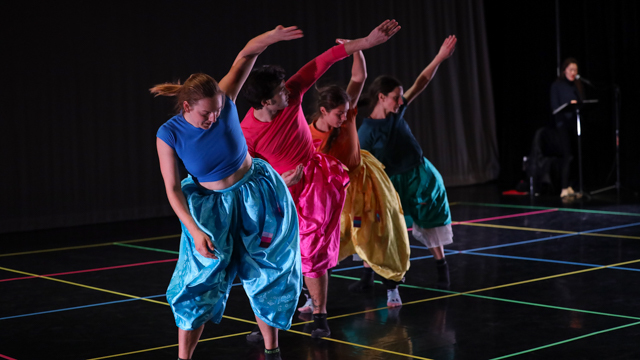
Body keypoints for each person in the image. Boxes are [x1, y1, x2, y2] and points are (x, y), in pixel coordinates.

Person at [241, 20, 401, 338]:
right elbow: (249, 176)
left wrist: (365, 42)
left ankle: (319, 315)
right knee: (273, 256)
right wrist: (279, 182)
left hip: (315, 185)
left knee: (313, 253)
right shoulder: (247, 133)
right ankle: (270, 318)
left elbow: (325, 59)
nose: (286, 94)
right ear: (263, 103)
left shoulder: (292, 93)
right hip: (281, 192)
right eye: (278, 94)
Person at [151, 26, 303, 360]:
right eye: (207, 113)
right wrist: (194, 230)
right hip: (209, 209)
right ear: (188, 106)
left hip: (256, 195)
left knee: (268, 271)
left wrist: (271, 37)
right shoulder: (169, 133)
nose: (214, 117)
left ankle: (272, 349)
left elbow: (247, 53)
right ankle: (183, 357)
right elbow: (172, 189)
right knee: (196, 283)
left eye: (218, 110)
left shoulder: (224, 99)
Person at [308, 43, 410, 308]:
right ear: (323, 112)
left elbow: (359, 77)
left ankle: (391, 289)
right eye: (338, 114)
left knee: (379, 233)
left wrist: (356, 48)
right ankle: (313, 298)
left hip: (364, 183)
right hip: (334, 192)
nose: (344, 117)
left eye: (346, 112)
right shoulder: (309, 134)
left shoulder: (348, 114)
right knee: (324, 243)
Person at [358, 35, 457, 289]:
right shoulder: (366, 132)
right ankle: (368, 276)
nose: (401, 101)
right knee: (380, 227)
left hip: (419, 175)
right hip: (391, 183)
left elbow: (420, 82)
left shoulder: (397, 111)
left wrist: (439, 57)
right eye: (395, 97)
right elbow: (363, 165)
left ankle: (441, 268)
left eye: (400, 97)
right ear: (381, 97)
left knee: (430, 217)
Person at [549, 57, 584, 199]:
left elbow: (582, 103)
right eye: (570, 70)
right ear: (564, 70)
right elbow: (555, 108)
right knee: (567, 156)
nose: (573, 72)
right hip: (562, 125)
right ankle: (563, 187)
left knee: (576, 156)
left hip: (575, 125)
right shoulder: (557, 86)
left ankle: (572, 186)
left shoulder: (576, 86)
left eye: (575, 70)